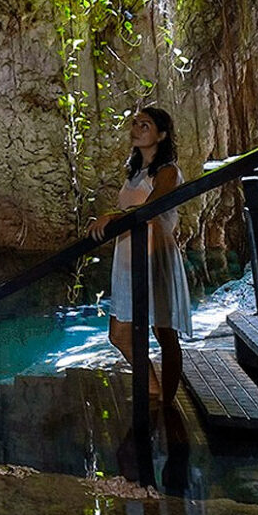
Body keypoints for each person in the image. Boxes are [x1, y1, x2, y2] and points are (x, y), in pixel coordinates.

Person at [87, 106, 192, 402]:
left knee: (164, 334)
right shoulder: (135, 172)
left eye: (144, 125)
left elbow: (151, 208)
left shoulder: (168, 171)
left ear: (161, 135)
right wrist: (116, 217)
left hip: (154, 256)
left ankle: (167, 402)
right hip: (127, 257)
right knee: (119, 335)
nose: (136, 128)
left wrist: (111, 216)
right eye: (134, 123)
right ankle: (153, 388)